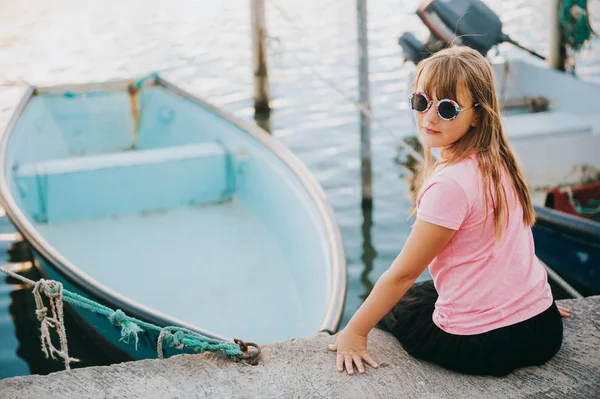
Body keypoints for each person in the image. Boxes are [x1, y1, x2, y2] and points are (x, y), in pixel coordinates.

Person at [328, 46, 570, 377]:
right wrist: (532, 302)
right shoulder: (500, 161)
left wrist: (354, 334)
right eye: (420, 101)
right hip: (543, 329)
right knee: (430, 288)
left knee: (401, 301)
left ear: (478, 115)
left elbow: (403, 274)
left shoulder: (450, 185)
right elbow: (514, 250)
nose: (428, 117)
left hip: (482, 346)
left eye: (446, 108)